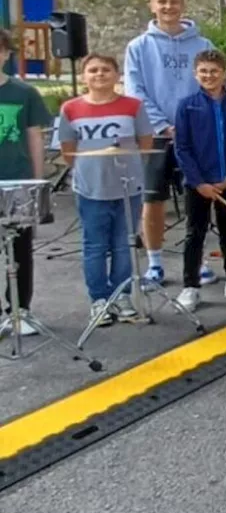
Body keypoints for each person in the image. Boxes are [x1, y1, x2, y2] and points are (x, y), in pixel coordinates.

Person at [123, 0, 215, 287]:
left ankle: (199, 262)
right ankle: (155, 264)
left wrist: (191, 124)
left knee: (197, 200)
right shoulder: (138, 47)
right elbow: (135, 92)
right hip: (156, 135)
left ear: (182, 5)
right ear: (152, 5)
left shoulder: (204, 46)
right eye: (161, 2)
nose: (168, 7)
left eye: (173, 2)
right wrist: (163, 125)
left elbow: (211, 86)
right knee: (154, 200)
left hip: (195, 135)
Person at [58, 54, 153, 325]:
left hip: (127, 188)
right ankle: (99, 300)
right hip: (91, 189)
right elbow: (68, 151)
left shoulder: (133, 106)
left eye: (106, 70)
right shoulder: (71, 109)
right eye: (93, 70)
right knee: (95, 246)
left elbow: (145, 142)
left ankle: (121, 297)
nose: (100, 75)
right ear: (84, 75)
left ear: (116, 74)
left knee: (125, 244)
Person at [172, 50, 226, 311]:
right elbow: (183, 147)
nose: (209, 76)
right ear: (195, 74)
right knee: (194, 233)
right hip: (197, 184)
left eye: (214, 71)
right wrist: (199, 182)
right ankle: (190, 286)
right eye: (203, 71)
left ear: (224, 73)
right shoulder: (187, 105)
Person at [0, 30, 51, 338]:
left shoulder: (25, 92)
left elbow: (34, 137)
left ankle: (20, 310)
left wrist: (37, 178)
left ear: (6, 54)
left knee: (19, 251)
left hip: (16, 181)